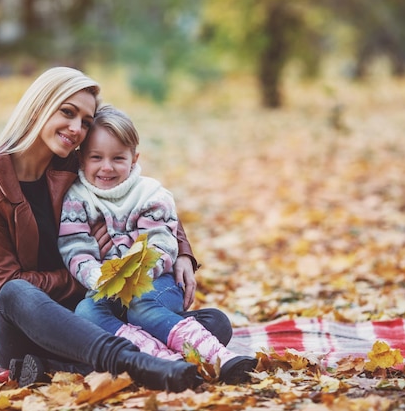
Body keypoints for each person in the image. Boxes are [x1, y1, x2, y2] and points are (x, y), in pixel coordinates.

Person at [0, 67, 233, 390]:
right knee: (16, 294)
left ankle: (59, 367)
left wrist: (183, 252)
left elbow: (144, 197)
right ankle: (132, 361)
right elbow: (4, 283)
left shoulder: (79, 162)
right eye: (67, 113)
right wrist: (90, 276)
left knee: (215, 323)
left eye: (85, 121)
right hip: (29, 326)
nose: (76, 129)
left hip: (94, 312)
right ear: (39, 107)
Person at [58, 105, 257, 384]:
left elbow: (161, 244)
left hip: (154, 283)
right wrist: (96, 276)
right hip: (105, 287)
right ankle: (159, 361)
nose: (107, 167)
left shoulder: (150, 194)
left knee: (141, 305)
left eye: (118, 158)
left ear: (134, 158)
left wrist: (135, 275)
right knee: (86, 312)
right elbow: (75, 247)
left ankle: (217, 357)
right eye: (96, 157)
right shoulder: (76, 199)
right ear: (81, 159)